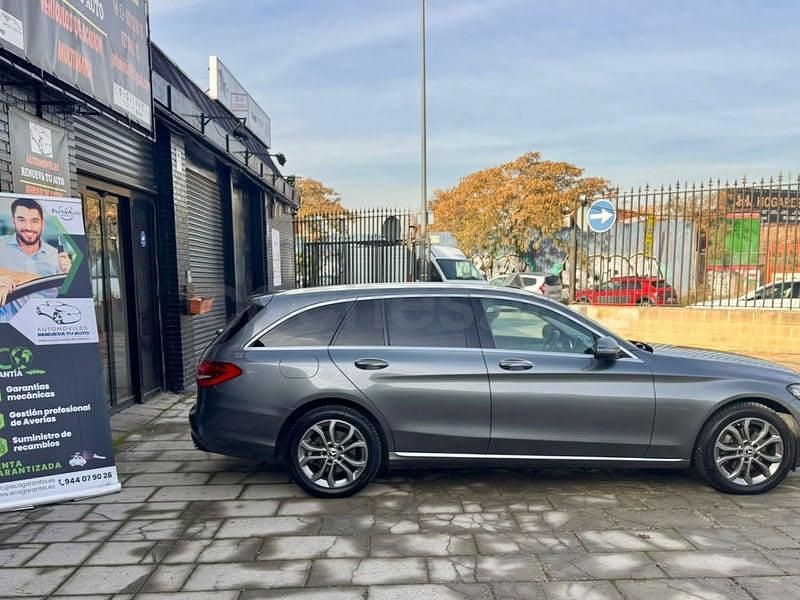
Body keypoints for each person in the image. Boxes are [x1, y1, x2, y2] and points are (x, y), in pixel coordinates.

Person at [0, 198, 72, 321]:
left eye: (34, 221)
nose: (28, 227)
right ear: (13, 222)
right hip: (9, 330)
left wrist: (70, 276)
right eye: (21, 220)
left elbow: (69, 299)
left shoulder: (57, 257)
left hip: (47, 329)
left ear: (42, 224)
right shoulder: (1, 245)